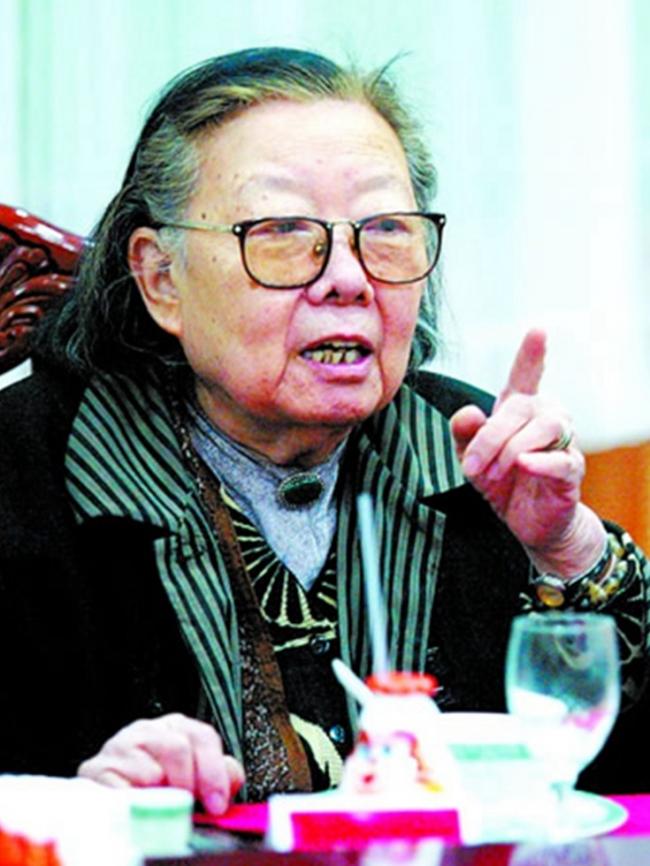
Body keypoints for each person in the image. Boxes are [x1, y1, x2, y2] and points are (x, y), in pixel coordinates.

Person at [0, 47, 648, 813]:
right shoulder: (25, 473)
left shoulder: (473, 454)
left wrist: (567, 551)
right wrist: (75, 808)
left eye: (386, 229)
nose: (348, 278)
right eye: (280, 230)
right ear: (161, 277)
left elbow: (610, 791)